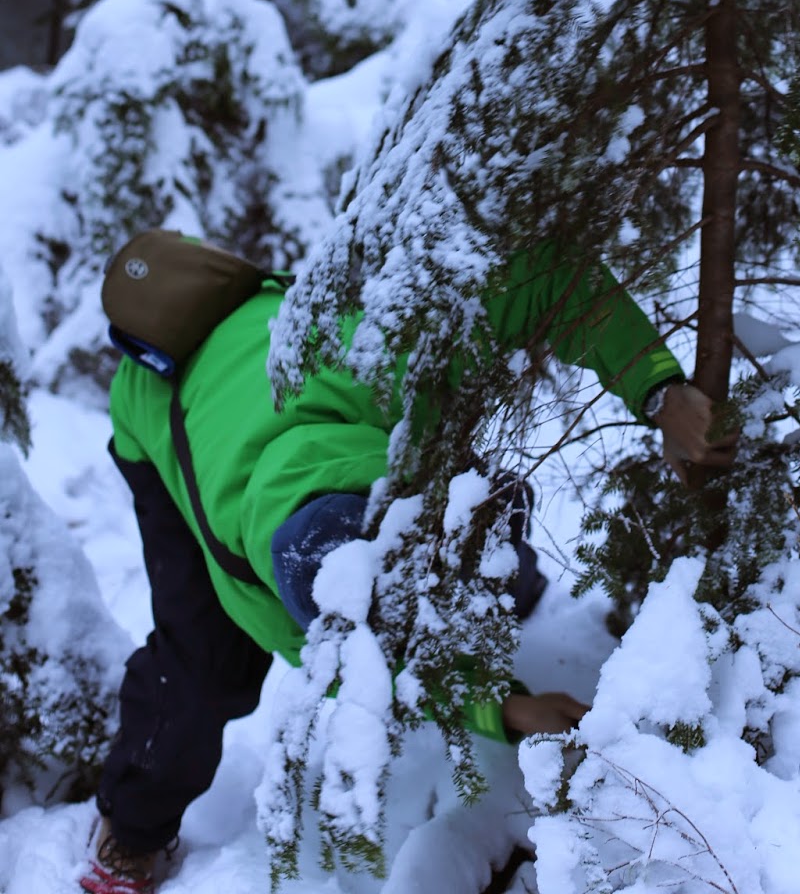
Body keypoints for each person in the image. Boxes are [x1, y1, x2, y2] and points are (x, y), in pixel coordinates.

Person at [81, 241, 733, 894]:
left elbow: (544, 272)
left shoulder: (385, 355)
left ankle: (505, 578)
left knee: (477, 510)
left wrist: (659, 388)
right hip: (163, 420)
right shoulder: (250, 584)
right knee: (202, 664)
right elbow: (372, 680)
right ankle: (131, 831)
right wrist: (503, 709)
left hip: (300, 361)